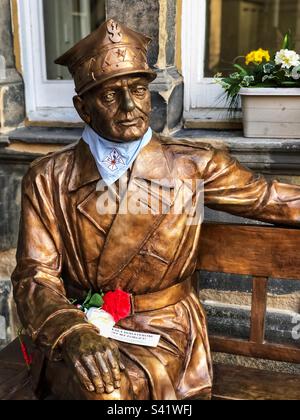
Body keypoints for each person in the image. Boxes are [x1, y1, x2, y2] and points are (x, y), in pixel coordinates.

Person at [12, 19, 300, 400]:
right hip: (83, 327)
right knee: (94, 386)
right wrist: (70, 327)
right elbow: (35, 275)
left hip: (163, 328)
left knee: (107, 393)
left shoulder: (191, 165)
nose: (131, 107)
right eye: (111, 96)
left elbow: (271, 199)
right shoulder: (48, 176)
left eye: (139, 90)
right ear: (83, 108)